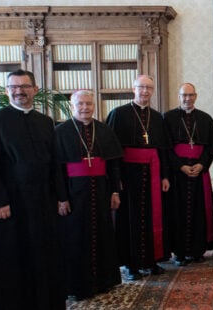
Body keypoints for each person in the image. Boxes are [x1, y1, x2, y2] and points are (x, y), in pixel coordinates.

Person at [0, 69, 66, 308]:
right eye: (13, 87)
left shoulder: (45, 122)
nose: (19, 91)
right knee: (14, 261)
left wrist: (60, 197)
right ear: (7, 91)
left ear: (34, 90)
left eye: (24, 86)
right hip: (10, 207)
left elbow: (55, 163)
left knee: (43, 258)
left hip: (43, 205)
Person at [55, 90, 123, 300]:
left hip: (101, 191)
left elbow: (113, 164)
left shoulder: (104, 130)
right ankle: (78, 285)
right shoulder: (60, 131)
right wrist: (62, 197)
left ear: (94, 106)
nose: (85, 107)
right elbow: (56, 169)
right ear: (72, 106)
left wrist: (115, 191)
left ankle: (104, 281)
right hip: (74, 193)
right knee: (75, 237)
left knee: (103, 233)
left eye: (89, 104)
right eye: (80, 104)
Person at [106, 75, 172, 280]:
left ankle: (151, 261)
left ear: (153, 91)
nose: (145, 91)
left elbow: (163, 150)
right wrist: (116, 180)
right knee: (129, 218)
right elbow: (112, 152)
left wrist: (164, 176)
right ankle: (131, 265)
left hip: (152, 173)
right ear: (133, 88)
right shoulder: (118, 114)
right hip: (128, 175)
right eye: (141, 87)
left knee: (153, 217)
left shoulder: (157, 117)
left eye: (149, 88)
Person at [163, 83, 213, 266]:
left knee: (199, 211)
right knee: (177, 212)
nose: (187, 98)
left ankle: (197, 250)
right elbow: (166, 148)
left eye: (191, 95)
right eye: (184, 95)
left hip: (199, 173)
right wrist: (180, 166)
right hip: (178, 175)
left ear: (196, 96)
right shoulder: (168, 118)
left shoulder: (205, 119)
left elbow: (211, 147)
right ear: (179, 96)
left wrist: (202, 164)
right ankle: (178, 252)